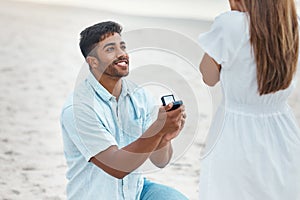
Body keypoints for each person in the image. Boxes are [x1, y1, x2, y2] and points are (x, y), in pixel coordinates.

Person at [60, 21, 188, 200]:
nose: (122, 54)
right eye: (110, 49)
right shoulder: (78, 108)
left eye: (122, 46)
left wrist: (164, 137)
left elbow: (160, 161)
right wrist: (157, 127)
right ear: (93, 62)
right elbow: (116, 166)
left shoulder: (139, 96)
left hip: (136, 193)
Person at [197, 0, 300, 199]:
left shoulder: (231, 25)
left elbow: (208, 77)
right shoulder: (292, 23)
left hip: (236, 131)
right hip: (283, 129)